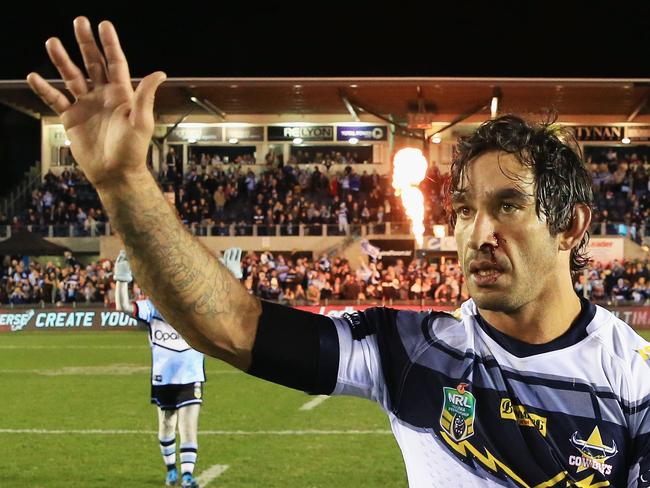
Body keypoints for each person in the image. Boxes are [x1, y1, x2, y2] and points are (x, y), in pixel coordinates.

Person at [28, 18, 650, 487]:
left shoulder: (635, 379)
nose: (477, 232)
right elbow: (233, 326)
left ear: (571, 227)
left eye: (508, 206)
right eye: (463, 209)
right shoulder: (410, 349)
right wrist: (124, 182)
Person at [114, 248, 242, 487]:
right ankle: (171, 469)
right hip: (163, 379)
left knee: (189, 427)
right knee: (166, 424)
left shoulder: (196, 310)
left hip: (191, 377)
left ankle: (187, 476)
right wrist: (121, 280)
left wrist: (233, 281)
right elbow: (122, 306)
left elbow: (230, 311)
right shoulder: (152, 309)